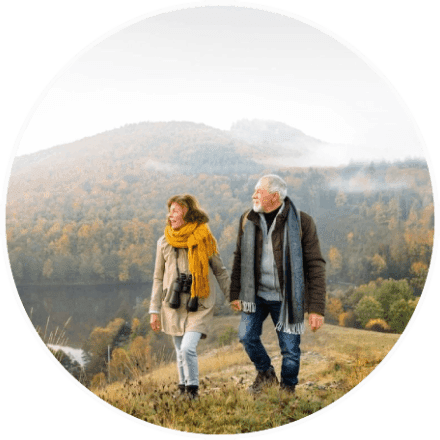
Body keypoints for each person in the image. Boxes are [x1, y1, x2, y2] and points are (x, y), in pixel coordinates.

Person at [229, 174, 326, 394]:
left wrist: (316, 309)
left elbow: (315, 266)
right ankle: (266, 374)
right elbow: (239, 257)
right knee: (246, 336)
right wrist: (235, 292)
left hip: (287, 298)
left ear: (274, 197)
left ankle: (287, 389)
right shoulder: (247, 219)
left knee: (290, 350)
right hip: (256, 295)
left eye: (259, 191)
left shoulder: (303, 222)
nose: (253, 195)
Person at [149, 194, 230, 399]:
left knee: (187, 348)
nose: (170, 216)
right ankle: (183, 389)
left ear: (187, 213)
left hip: (199, 303)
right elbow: (158, 278)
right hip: (173, 303)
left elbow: (220, 271)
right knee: (179, 350)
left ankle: (193, 392)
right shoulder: (164, 242)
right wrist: (154, 310)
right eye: (170, 211)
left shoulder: (204, 239)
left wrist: (233, 296)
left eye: (175, 211)